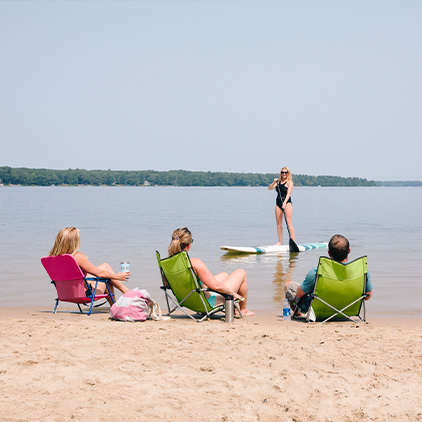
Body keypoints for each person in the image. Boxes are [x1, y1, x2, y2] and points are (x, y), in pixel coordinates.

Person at [168, 227, 255, 316]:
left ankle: (235, 309)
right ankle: (243, 310)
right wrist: (232, 293)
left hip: (189, 303)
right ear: (189, 245)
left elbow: (167, 286)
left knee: (224, 275)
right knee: (241, 272)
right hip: (207, 304)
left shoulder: (168, 264)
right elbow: (216, 286)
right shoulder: (195, 263)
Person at [285, 234, 373, 314]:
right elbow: (367, 296)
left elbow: (299, 294)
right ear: (349, 250)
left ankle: (298, 314)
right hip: (347, 312)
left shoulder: (317, 271)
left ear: (328, 253)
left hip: (319, 313)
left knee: (288, 285)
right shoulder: (362, 271)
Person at [49, 226, 130, 304]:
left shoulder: (52, 259)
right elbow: (100, 273)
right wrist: (117, 277)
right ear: (73, 242)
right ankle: (124, 294)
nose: (80, 240)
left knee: (105, 267)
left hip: (66, 294)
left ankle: (121, 297)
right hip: (83, 295)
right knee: (106, 275)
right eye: (78, 238)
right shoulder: (77, 256)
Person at [268, 167, 295, 246]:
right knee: (278, 223)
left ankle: (293, 242)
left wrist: (285, 203)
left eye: (286, 172)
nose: (284, 174)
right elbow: (269, 188)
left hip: (287, 203)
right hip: (278, 203)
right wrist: (273, 183)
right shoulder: (278, 182)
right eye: (282, 172)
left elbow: (289, 193)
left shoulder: (290, 182)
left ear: (288, 173)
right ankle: (280, 242)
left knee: (288, 223)